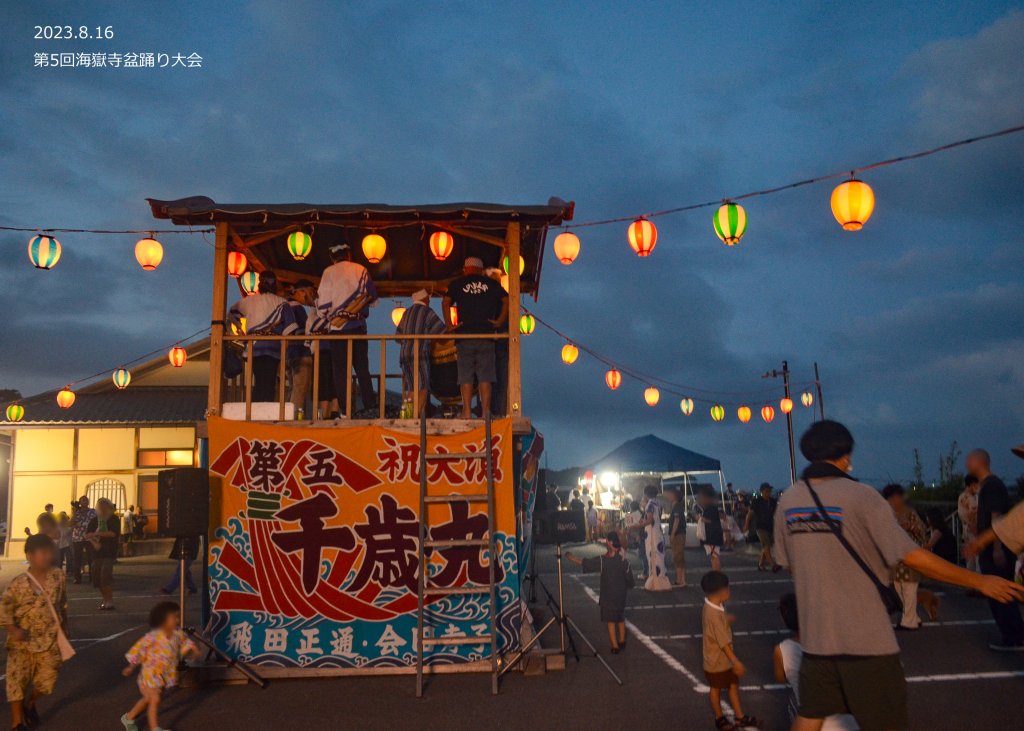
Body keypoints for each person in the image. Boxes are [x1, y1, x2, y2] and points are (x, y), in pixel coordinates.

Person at [774, 420, 1024, 731]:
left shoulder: (789, 500)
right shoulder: (862, 496)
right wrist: (979, 581)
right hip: (865, 643)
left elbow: (786, 562)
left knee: (810, 717)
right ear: (846, 456)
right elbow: (912, 555)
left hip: (815, 641)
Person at [1, 534, 69, 731]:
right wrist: (13, 629)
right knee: (16, 682)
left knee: (47, 682)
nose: (47, 556)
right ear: (29, 556)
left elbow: (62, 604)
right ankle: (17, 723)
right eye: (42, 552)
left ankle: (30, 703)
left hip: (49, 640)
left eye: (50, 552)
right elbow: (4, 609)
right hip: (21, 642)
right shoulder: (17, 584)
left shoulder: (58, 577)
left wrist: (65, 629)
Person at [965, 447, 1024, 651]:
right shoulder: (988, 486)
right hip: (993, 546)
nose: (966, 463)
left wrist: (994, 547)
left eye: (969, 459)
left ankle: (1015, 637)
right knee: (999, 592)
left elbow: (997, 518)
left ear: (979, 461)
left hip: (997, 549)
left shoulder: (992, 485)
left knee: (1001, 592)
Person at [773, 593, 858, 730]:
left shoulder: (781, 650)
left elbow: (780, 678)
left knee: (794, 704)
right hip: (849, 720)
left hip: (813, 721)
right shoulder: (833, 641)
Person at [317, 244, 378, 417]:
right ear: (348, 255)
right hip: (357, 327)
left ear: (333, 257)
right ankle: (370, 405)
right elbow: (372, 299)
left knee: (341, 371)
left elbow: (323, 307)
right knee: (362, 368)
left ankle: (345, 409)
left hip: (337, 328)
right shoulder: (361, 269)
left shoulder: (328, 272)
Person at [442, 256, 507, 418]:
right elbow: (506, 299)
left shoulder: (458, 284)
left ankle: (466, 412)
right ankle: (485, 412)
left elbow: (445, 302)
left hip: (465, 335)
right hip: (486, 335)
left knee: (465, 376)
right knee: (486, 376)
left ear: (466, 269)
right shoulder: (492, 284)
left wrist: (449, 325)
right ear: (480, 269)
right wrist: (499, 321)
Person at [120, 601, 200, 731]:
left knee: (147, 700)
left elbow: (186, 641)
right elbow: (140, 651)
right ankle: (155, 728)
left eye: (177, 617)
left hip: (164, 675)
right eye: (174, 617)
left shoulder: (177, 633)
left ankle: (129, 717)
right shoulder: (152, 637)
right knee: (155, 700)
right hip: (150, 675)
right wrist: (131, 667)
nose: (178, 620)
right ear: (162, 621)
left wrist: (195, 650)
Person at [700, 571, 760, 730]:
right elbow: (723, 643)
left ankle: (739, 716)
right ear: (722, 591)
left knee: (733, 685)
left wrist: (726, 619)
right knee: (716, 689)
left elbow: (717, 627)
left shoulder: (713, 605)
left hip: (723, 661)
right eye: (728, 588)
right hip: (716, 662)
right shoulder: (713, 613)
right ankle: (719, 718)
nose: (730, 592)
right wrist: (736, 661)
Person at [228, 270, 298, 403]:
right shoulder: (282, 303)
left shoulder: (248, 301)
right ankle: (265, 408)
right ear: (275, 285)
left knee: (259, 379)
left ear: (260, 284)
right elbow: (290, 329)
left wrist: (239, 329)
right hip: (274, 347)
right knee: (270, 380)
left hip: (254, 346)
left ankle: (255, 409)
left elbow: (231, 313)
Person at [565, 532, 634, 653]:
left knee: (611, 621)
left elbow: (586, 563)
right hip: (621, 596)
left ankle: (615, 646)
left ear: (610, 543)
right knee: (620, 618)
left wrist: (571, 558)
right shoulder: (624, 560)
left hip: (608, 596)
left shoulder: (604, 560)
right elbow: (630, 581)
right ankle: (622, 641)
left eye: (607, 540)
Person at [881, 484, 937, 629]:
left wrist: (910, 527)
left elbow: (923, 530)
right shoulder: (887, 513)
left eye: (896, 497)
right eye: (891, 498)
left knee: (909, 589)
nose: (894, 501)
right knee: (899, 589)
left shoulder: (910, 512)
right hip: (895, 558)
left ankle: (909, 622)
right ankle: (913, 617)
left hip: (910, 556)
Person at [397, 289, 447, 416]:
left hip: (404, 355)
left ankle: (405, 417)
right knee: (423, 387)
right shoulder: (427, 312)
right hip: (419, 354)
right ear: (425, 299)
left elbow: (398, 336)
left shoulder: (406, 312)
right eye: (428, 299)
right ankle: (416, 416)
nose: (429, 300)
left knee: (411, 389)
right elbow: (442, 333)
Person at [294, 281, 340, 419]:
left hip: (322, 348)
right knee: (334, 380)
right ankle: (334, 412)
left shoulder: (318, 308)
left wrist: (309, 340)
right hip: (335, 346)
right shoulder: (334, 305)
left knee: (323, 382)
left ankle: (324, 415)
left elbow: (311, 329)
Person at [285, 280, 315, 416]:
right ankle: (293, 419)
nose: (310, 296)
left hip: (288, 353)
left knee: (292, 388)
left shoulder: (284, 308)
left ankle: (287, 415)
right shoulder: (298, 309)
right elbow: (303, 332)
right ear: (301, 292)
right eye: (309, 292)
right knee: (300, 389)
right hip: (302, 353)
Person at [86, 498, 120, 610]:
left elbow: (112, 533)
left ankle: (109, 601)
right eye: (100, 507)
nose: (102, 509)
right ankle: (104, 600)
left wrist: (97, 533)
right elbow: (87, 535)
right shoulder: (94, 520)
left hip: (109, 552)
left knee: (105, 577)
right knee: (97, 579)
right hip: (96, 554)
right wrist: (94, 542)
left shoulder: (114, 519)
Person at [484, 267, 509, 417]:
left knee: (495, 378)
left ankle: (495, 411)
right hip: (493, 342)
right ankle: (491, 410)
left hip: (497, 342)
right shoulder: (502, 297)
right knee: (491, 379)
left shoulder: (492, 297)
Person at [637, 485, 671, 591]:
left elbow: (650, 520)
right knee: (659, 557)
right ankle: (661, 582)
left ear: (645, 494)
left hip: (652, 534)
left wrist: (637, 525)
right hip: (658, 532)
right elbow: (655, 519)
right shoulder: (658, 503)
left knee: (653, 557)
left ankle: (655, 583)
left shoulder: (650, 504)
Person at [745, 483, 780, 572]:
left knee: (767, 546)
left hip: (770, 526)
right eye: (766, 491)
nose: (768, 492)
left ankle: (761, 564)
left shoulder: (773, 501)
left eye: (769, 491)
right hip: (760, 526)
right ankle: (773, 565)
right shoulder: (756, 501)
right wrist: (746, 525)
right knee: (766, 545)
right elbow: (750, 514)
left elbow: (777, 513)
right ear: (762, 492)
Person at [697, 487, 724, 572]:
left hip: (712, 536)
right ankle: (716, 573)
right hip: (714, 536)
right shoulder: (713, 507)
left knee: (715, 556)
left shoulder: (711, 508)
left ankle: (717, 574)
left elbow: (710, 520)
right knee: (714, 556)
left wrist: (700, 518)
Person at [957, 474, 980, 572]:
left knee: (970, 558)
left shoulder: (962, 496)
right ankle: (980, 580)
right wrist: (973, 525)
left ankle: (971, 581)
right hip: (973, 529)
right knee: (978, 556)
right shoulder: (970, 498)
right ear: (972, 484)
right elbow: (972, 513)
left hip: (965, 529)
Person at [70, 497, 96, 583]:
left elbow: (97, 522)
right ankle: (77, 578)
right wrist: (74, 512)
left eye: (87, 500)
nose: (85, 501)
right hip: (78, 537)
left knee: (91, 558)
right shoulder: (77, 512)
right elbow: (71, 523)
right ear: (80, 502)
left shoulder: (93, 512)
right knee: (77, 558)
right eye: (83, 500)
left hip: (89, 537)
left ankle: (93, 577)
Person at [666, 487, 687, 587]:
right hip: (679, 534)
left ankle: (680, 580)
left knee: (677, 557)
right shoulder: (676, 505)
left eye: (670, 494)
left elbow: (677, 520)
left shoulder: (677, 506)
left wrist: (672, 535)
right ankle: (681, 579)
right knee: (679, 557)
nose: (668, 496)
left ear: (675, 496)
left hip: (678, 534)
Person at [624, 500, 648, 580]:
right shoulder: (642, 513)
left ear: (631, 507)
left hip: (639, 536)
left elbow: (629, 527)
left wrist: (635, 535)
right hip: (645, 535)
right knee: (644, 554)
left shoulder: (632, 515)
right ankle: (647, 572)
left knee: (642, 554)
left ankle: (645, 573)